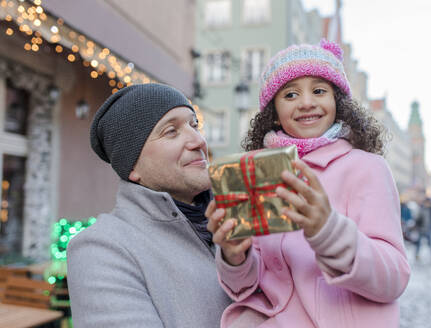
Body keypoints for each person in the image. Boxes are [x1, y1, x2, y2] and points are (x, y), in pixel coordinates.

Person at [207, 39, 410, 328]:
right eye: (290, 94)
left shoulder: (369, 168)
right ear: (274, 111)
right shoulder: (255, 171)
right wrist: (234, 255)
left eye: (319, 90)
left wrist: (328, 231)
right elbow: (246, 286)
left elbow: (395, 278)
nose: (306, 102)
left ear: (337, 103)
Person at [67, 83, 231, 327]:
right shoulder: (103, 249)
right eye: (171, 132)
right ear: (132, 167)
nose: (198, 140)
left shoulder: (236, 219)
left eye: (194, 125)